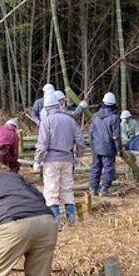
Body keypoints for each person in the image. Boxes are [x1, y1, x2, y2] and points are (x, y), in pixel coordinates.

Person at [34, 91, 85, 226]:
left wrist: (37, 160)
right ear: (58, 105)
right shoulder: (70, 120)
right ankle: (71, 220)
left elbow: (42, 144)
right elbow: (80, 140)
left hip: (51, 159)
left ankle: (55, 222)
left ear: (47, 108)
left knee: (51, 190)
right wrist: (79, 156)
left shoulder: (46, 122)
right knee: (67, 188)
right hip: (68, 158)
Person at [89, 92, 122, 197]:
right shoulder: (114, 118)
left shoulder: (95, 116)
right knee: (108, 168)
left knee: (95, 168)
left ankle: (93, 189)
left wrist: (92, 146)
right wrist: (119, 149)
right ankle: (104, 189)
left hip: (96, 147)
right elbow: (116, 136)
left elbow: (91, 132)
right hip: (108, 147)